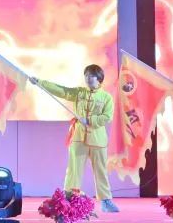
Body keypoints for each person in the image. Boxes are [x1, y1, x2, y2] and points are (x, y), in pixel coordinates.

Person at [30, 64, 119, 213]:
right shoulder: (79, 93)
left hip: (98, 140)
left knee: (101, 171)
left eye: (91, 75)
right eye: (86, 75)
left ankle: (105, 201)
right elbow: (62, 91)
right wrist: (40, 83)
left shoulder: (106, 97)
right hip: (79, 138)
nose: (88, 78)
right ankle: (69, 198)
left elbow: (107, 117)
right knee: (73, 170)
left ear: (99, 78)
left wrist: (89, 120)